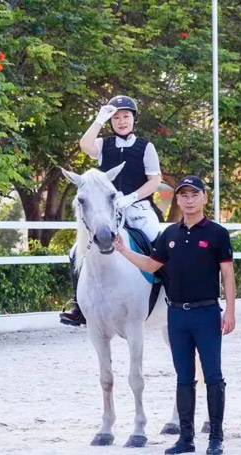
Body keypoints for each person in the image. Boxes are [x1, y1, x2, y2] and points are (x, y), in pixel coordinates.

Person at [115, 175, 236, 455]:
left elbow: (228, 274)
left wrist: (229, 310)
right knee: (184, 377)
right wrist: (123, 251)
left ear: (204, 198)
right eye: (184, 195)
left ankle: (216, 437)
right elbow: (151, 265)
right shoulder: (169, 235)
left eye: (194, 194)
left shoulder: (217, 234)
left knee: (214, 376)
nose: (189, 200)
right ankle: (186, 438)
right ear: (178, 199)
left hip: (206, 314)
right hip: (177, 316)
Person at [59, 95, 162, 326]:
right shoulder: (104, 145)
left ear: (133, 119)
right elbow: (85, 145)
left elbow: (154, 181)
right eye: (116, 118)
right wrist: (98, 120)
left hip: (137, 208)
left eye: (126, 116)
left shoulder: (146, 147)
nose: (121, 121)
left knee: (157, 240)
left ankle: (171, 294)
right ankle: (78, 305)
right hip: (106, 212)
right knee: (76, 251)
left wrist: (131, 197)